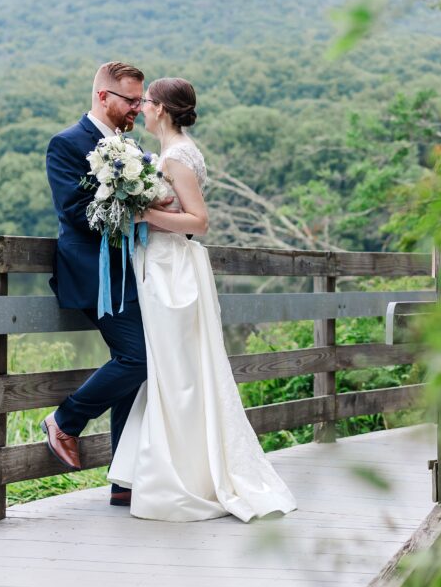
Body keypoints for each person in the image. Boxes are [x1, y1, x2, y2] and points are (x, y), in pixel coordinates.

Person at [107, 77, 296, 522]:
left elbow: (199, 221)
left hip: (172, 272)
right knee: (170, 370)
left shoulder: (176, 158)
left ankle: (187, 477)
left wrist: (142, 213)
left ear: (163, 110)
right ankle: (162, 468)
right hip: (159, 266)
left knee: (179, 373)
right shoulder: (171, 153)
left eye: (147, 102)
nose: (142, 109)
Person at [44, 61, 163, 507]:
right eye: (131, 100)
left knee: (132, 364)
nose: (137, 108)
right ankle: (64, 421)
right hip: (93, 273)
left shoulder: (126, 147)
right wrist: (133, 205)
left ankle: (124, 479)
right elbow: (74, 211)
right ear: (103, 97)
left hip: (131, 271)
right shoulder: (67, 143)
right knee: (138, 357)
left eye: (140, 101)